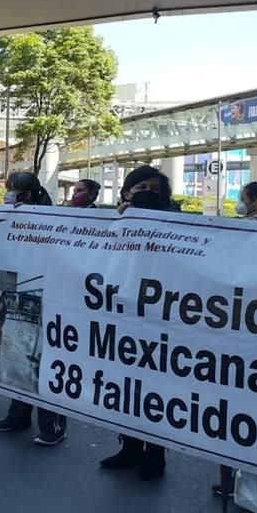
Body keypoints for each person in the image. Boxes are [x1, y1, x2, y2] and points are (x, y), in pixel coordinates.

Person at [99, 165, 181, 480]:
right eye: (141, 187)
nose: (148, 193)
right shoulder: (113, 221)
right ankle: (130, 446)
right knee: (124, 386)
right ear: (126, 193)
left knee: (154, 389)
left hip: (160, 319)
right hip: (121, 316)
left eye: (155, 190)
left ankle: (155, 455)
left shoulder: (180, 224)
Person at [0, 172, 68, 445]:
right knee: (19, 359)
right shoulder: (8, 219)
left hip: (48, 299)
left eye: (14, 190)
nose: (8, 194)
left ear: (28, 193)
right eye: (8, 189)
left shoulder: (52, 221)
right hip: (17, 296)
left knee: (46, 363)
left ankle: (52, 424)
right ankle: (18, 414)